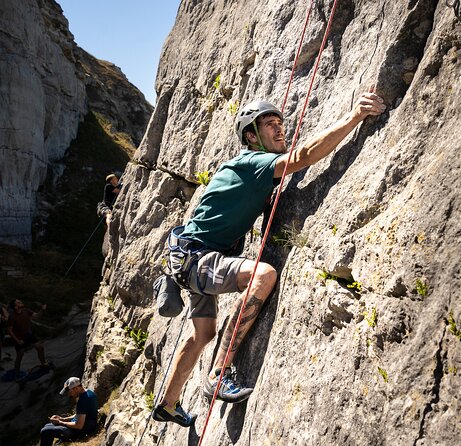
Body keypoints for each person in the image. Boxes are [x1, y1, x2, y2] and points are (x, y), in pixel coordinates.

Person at [151, 91, 386, 427]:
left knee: (202, 334)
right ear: (251, 136)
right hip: (199, 259)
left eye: (280, 124)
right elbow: (302, 156)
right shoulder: (250, 162)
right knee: (263, 275)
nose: (280, 129)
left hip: (192, 257)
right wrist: (354, 116)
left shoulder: (248, 169)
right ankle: (218, 373)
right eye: (270, 125)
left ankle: (168, 404)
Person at [40, 377, 98, 445]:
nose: (69, 395)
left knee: (45, 431)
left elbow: (79, 425)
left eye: (69, 392)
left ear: (76, 388)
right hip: (88, 425)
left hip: (82, 431)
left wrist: (60, 422)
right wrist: (63, 419)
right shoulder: (88, 393)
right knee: (47, 425)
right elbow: (80, 414)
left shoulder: (83, 400)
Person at [7, 299, 48, 378]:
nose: (21, 302)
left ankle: (44, 364)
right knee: (20, 355)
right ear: (15, 307)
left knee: (40, 347)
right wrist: (17, 341)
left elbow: (36, 316)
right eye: (18, 302)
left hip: (28, 335)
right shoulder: (12, 317)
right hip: (19, 338)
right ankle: (17, 373)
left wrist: (42, 310)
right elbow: (9, 330)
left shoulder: (26, 310)